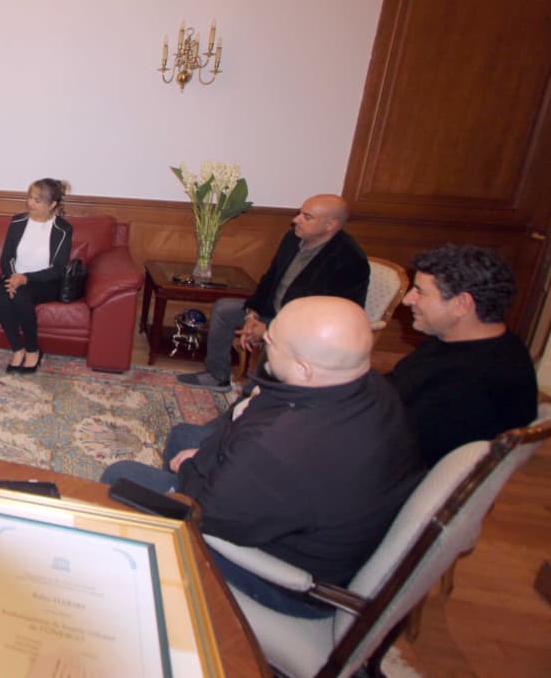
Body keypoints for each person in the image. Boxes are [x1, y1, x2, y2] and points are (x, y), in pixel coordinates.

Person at [102, 296, 424, 617]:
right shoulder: (375, 389)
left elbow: (206, 511)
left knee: (121, 478)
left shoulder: (280, 446)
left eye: (271, 341)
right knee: (184, 436)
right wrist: (208, 454)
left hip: (286, 582)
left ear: (303, 369)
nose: (261, 343)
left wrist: (191, 466)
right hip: (313, 531)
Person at [179, 193, 370, 391]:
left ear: (330, 225)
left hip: (305, 329)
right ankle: (217, 375)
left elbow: (334, 318)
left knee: (261, 382)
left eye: (307, 217)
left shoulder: (349, 259)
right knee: (225, 309)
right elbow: (269, 279)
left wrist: (271, 329)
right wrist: (253, 314)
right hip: (271, 312)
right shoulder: (292, 239)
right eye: (299, 213)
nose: (296, 220)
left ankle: (260, 392)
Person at [387, 245, 538, 466]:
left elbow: (401, 447)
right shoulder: (455, 340)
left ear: (462, 304)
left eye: (420, 291)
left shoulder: (475, 381)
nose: (407, 299)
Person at [0, 179, 73, 374]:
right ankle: (17, 347)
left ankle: (33, 349)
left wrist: (25, 279)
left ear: (52, 204)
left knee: (21, 297)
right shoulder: (18, 222)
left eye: (37, 200)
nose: (30, 203)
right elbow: (6, 257)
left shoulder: (63, 229)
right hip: (14, 276)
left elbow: (58, 268)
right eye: (29, 197)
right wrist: (13, 278)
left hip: (45, 282)